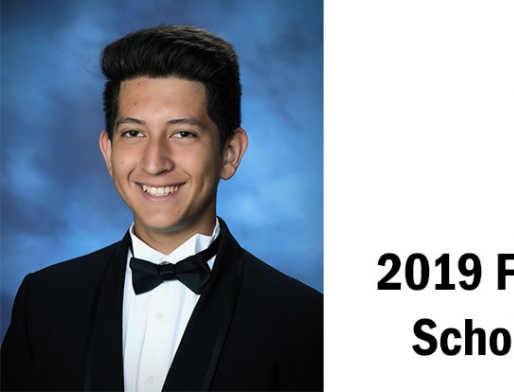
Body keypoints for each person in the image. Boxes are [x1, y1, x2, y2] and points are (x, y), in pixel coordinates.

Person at [0, 23, 323, 389]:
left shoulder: (304, 320)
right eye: (133, 133)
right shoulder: (41, 302)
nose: (154, 163)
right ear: (108, 152)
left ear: (229, 154)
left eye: (183, 133)